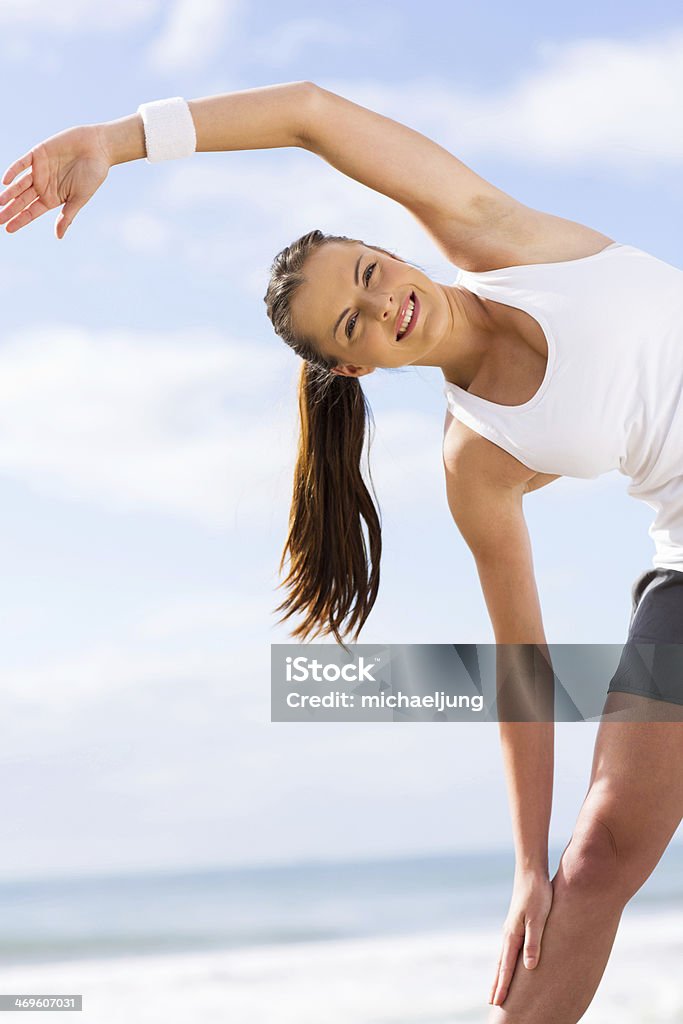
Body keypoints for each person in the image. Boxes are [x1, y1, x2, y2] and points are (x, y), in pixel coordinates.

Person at [1, 82, 681, 1023]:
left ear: (389, 247)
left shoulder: (495, 234)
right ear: (354, 367)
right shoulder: (476, 462)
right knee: (597, 851)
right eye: (353, 325)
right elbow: (522, 667)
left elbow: (310, 115)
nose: (383, 303)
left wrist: (116, 141)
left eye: (367, 272)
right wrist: (529, 866)